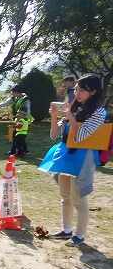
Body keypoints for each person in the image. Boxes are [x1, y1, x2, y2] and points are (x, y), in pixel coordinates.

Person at [39, 74, 107, 247]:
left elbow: (81, 135)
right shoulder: (74, 108)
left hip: (83, 158)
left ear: (93, 91)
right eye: (76, 89)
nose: (77, 93)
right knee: (66, 197)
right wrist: (54, 117)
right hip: (65, 155)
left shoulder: (99, 112)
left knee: (79, 199)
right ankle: (66, 230)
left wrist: (70, 116)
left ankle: (79, 235)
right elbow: (55, 135)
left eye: (82, 90)